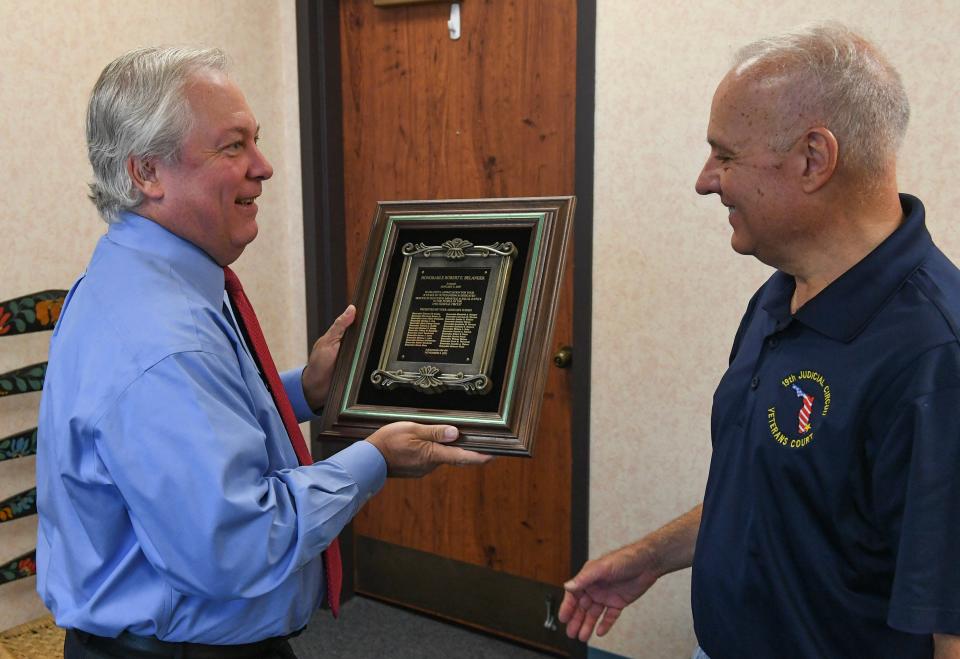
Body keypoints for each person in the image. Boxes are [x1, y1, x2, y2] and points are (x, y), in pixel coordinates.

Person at [36, 46, 492, 659]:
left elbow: (195, 424)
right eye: (233, 146)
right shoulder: (164, 341)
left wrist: (305, 391)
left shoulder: (135, 279)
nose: (266, 166)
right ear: (147, 172)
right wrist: (373, 460)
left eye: (257, 140)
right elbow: (239, 543)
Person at [559, 23, 960, 659]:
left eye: (725, 156)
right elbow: (775, 490)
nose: (703, 180)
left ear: (812, 159)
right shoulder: (783, 292)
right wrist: (649, 558)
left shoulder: (936, 356)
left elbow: (949, 626)